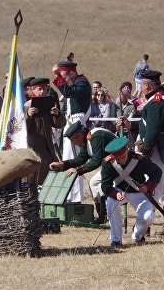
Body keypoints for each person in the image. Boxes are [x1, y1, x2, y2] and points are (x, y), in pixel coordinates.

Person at [136, 69, 164, 235]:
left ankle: (143, 228)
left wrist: (145, 153)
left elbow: (153, 129)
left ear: (147, 85)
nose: (140, 88)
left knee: (153, 188)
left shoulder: (156, 102)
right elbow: (151, 124)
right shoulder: (161, 98)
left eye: (141, 85)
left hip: (159, 151)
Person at [99, 136, 161, 248]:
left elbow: (156, 172)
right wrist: (115, 194)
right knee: (110, 203)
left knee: (149, 217)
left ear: (127, 151)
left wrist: (147, 187)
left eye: (123, 157)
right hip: (120, 191)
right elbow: (105, 185)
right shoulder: (108, 162)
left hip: (140, 193)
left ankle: (138, 236)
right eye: (118, 159)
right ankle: (116, 240)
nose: (121, 161)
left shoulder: (139, 159)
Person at [50, 122, 116, 223]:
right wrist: (62, 164)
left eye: (73, 140)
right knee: (93, 184)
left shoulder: (96, 137)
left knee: (100, 186)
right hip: (110, 165)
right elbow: (81, 159)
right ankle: (102, 216)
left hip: (119, 163)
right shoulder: (88, 139)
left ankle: (107, 215)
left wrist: (77, 170)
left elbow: (96, 161)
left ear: (80, 136)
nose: (73, 143)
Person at [52, 60, 92, 202]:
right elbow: (67, 105)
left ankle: (76, 198)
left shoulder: (82, 82)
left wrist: (58, 77)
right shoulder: (72, 85)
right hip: (70, 124)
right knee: (67, 160)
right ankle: (68, 195)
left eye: (63, 75)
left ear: (71, 73)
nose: (62, 78)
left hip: (77, 125)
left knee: (76, 161)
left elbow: (69, 92)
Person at [23, 77, 65, 184]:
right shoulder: (26, 106)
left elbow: (59, 125)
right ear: (32, 89)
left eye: (44, 89)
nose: (42, 92)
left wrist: (57, 114)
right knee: (35, 174)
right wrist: (28, 115)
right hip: (33, 147)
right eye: (39, 89)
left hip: (48, 146)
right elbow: (21, 129)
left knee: (50, 170)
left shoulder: (49, 104)